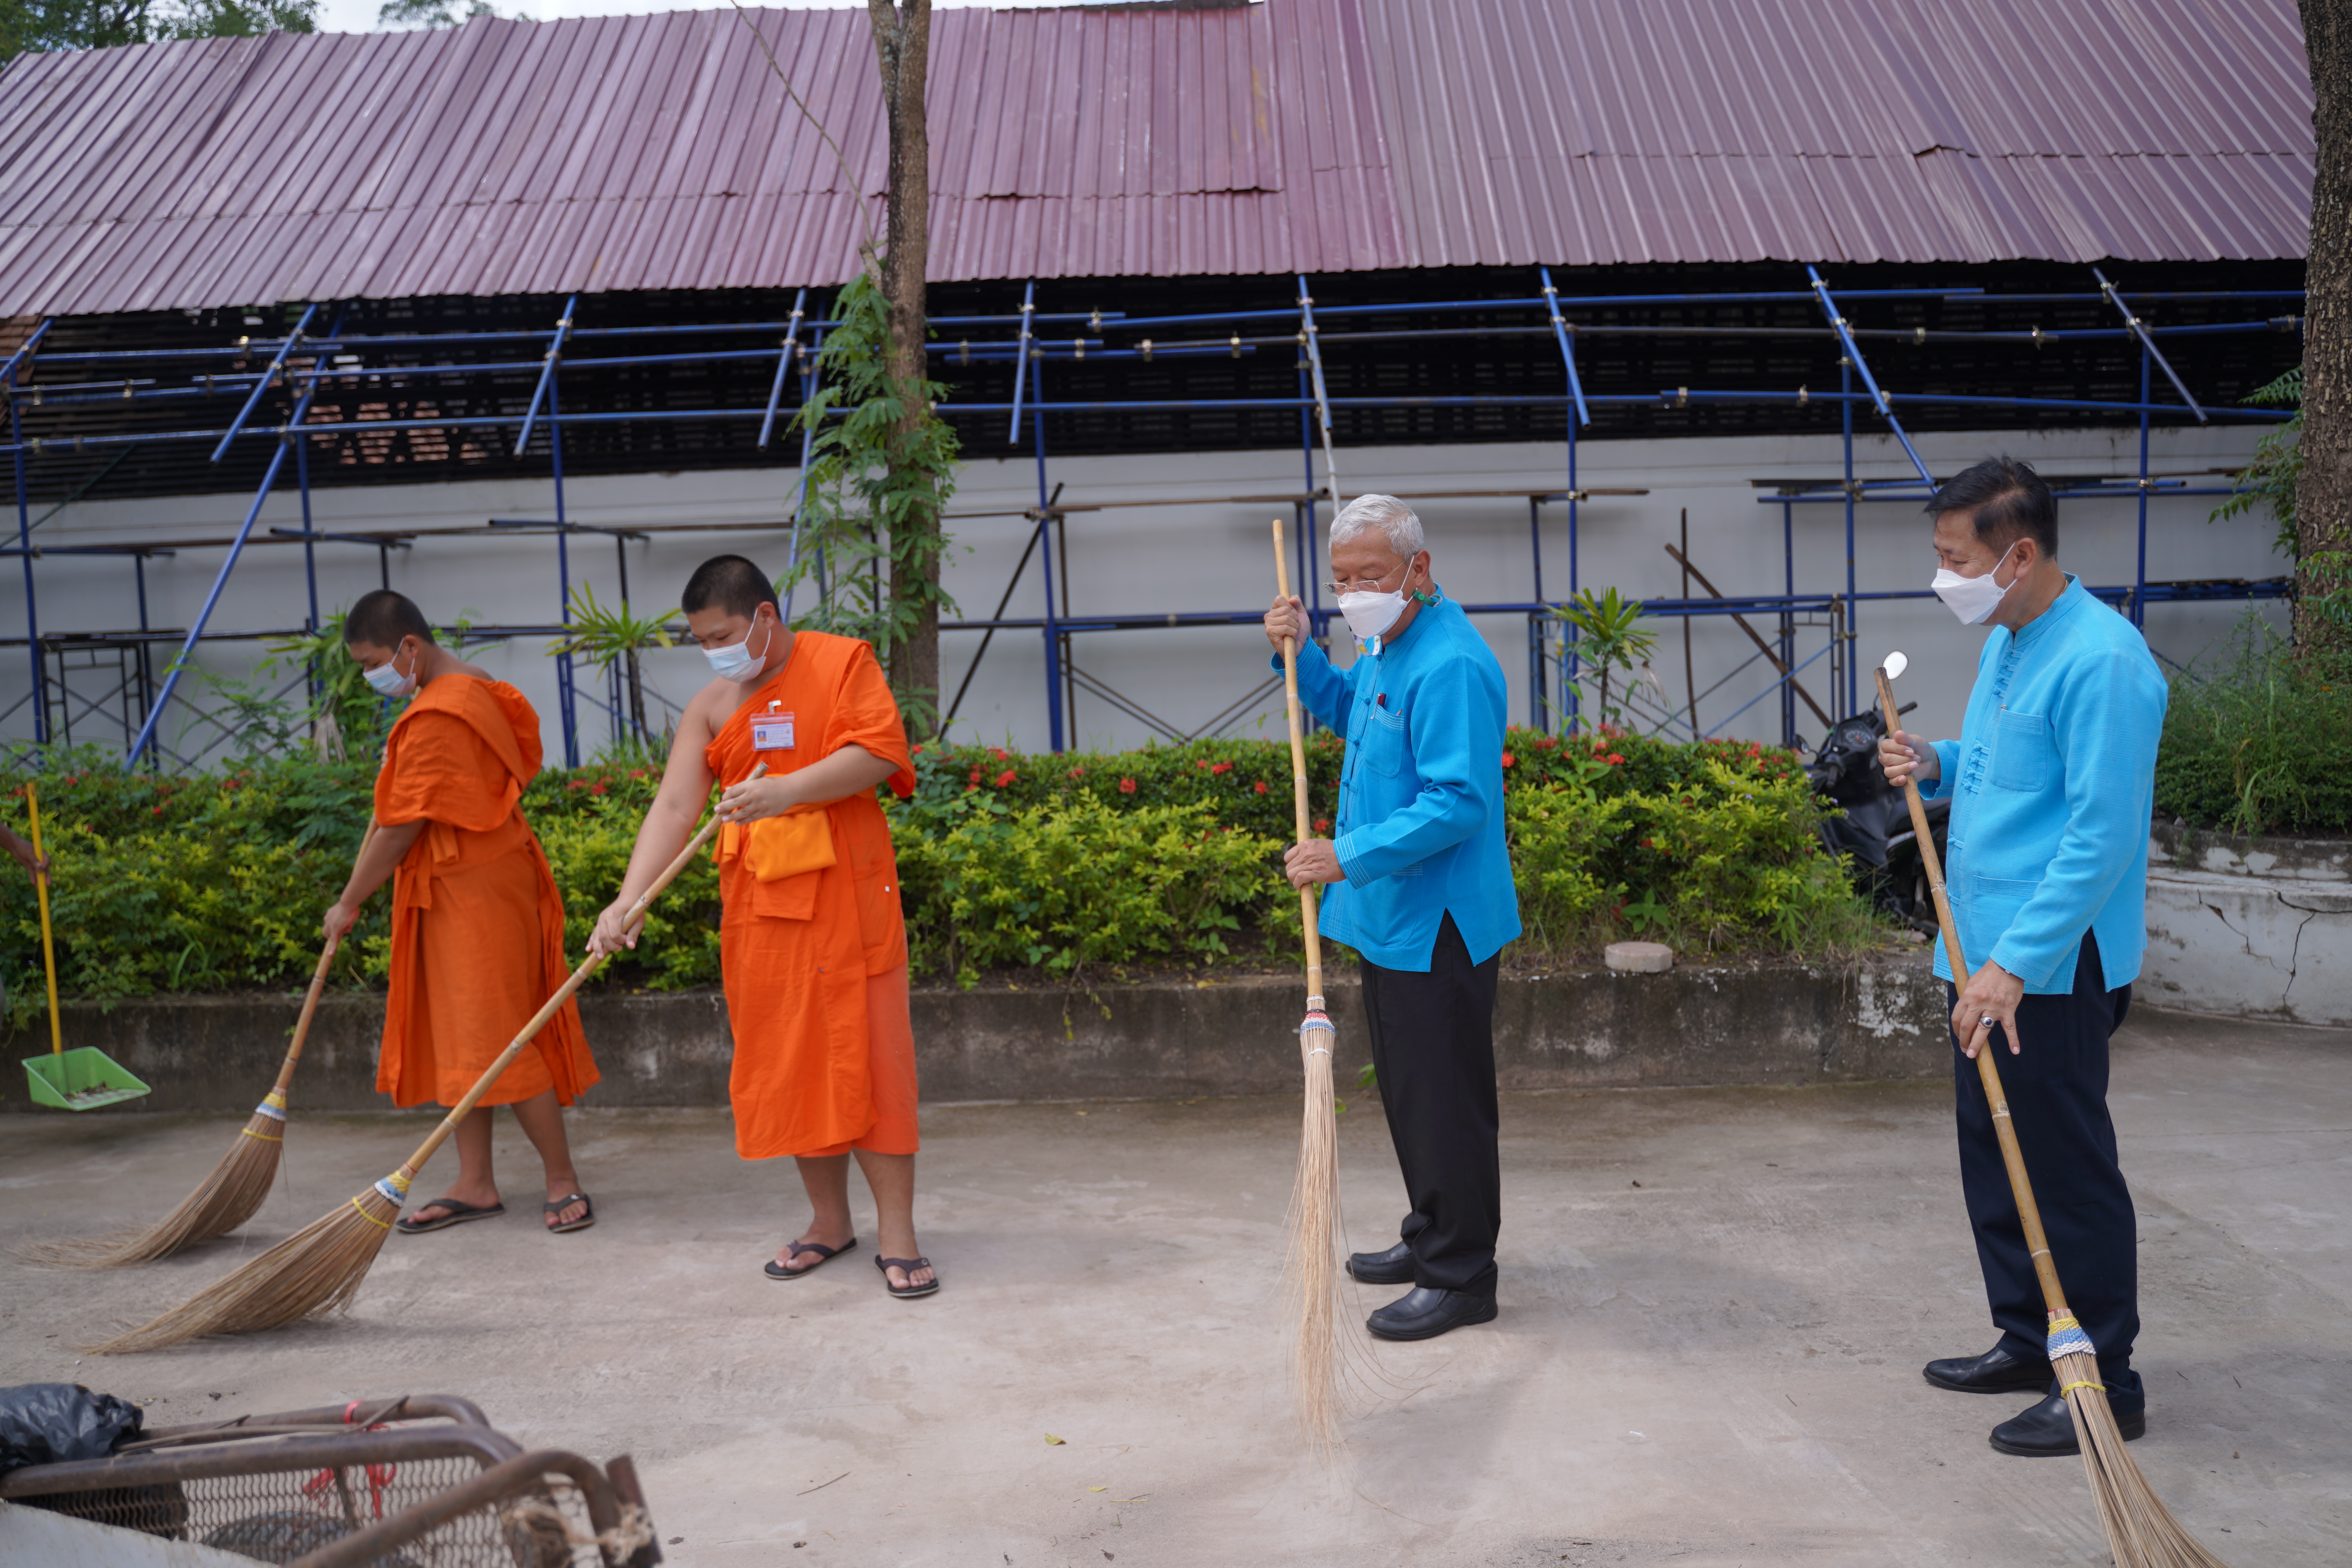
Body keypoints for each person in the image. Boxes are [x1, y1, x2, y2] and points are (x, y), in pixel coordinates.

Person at [1878, 456, 2168, 1458]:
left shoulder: (2105, 661)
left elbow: (2099, 834)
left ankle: (2105, 1375)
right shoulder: (2014, 636)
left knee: (2062, 1163)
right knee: (1993, 1155)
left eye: (1955, 558)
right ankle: (2028, 1332)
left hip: (2046, 963)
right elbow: (2008, 764)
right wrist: (1937, 762)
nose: (1943, 575)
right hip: (1983, 952)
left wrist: (2015, 967)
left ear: (2020, 554)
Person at [587, 555, 935, 1299]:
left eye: (722, 634)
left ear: (765, 617)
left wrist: (785, 792)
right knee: (794, 1067)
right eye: (701, 640)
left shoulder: (841, 664)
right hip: (768, 919)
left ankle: (898, 1236)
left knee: (877, 1071)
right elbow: (677, 809)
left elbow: (878, 753)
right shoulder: (712, 707)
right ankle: (828, 1222)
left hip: (851, 908)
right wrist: (629, 899)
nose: (714, 650)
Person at [1262, 494, 1520, 1341]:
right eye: (1341, 579)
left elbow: (1459, 802)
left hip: (1436, 921)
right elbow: (1349, 714)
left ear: (1420, 568)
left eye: (1370, 575)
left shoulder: (1449, 662)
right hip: (1390, 915)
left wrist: (1347, 852)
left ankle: (1462, 1274)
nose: (1355, 592)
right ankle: (1431, 1232)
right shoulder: (1386, 643)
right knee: (1413, 1093)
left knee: (1444, 1097)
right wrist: (1299, 656)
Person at [323, 590, 599, 1236]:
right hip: (463, 886)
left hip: (475, 890)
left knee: (503, 1035)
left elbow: (401, 829)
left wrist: (349, 900)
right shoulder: (467, 688)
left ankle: (562, 1178)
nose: (371, 677)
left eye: (373, 662)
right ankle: (475, 1182)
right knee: (459, 1033)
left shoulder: (443, 711)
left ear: (410, 648)